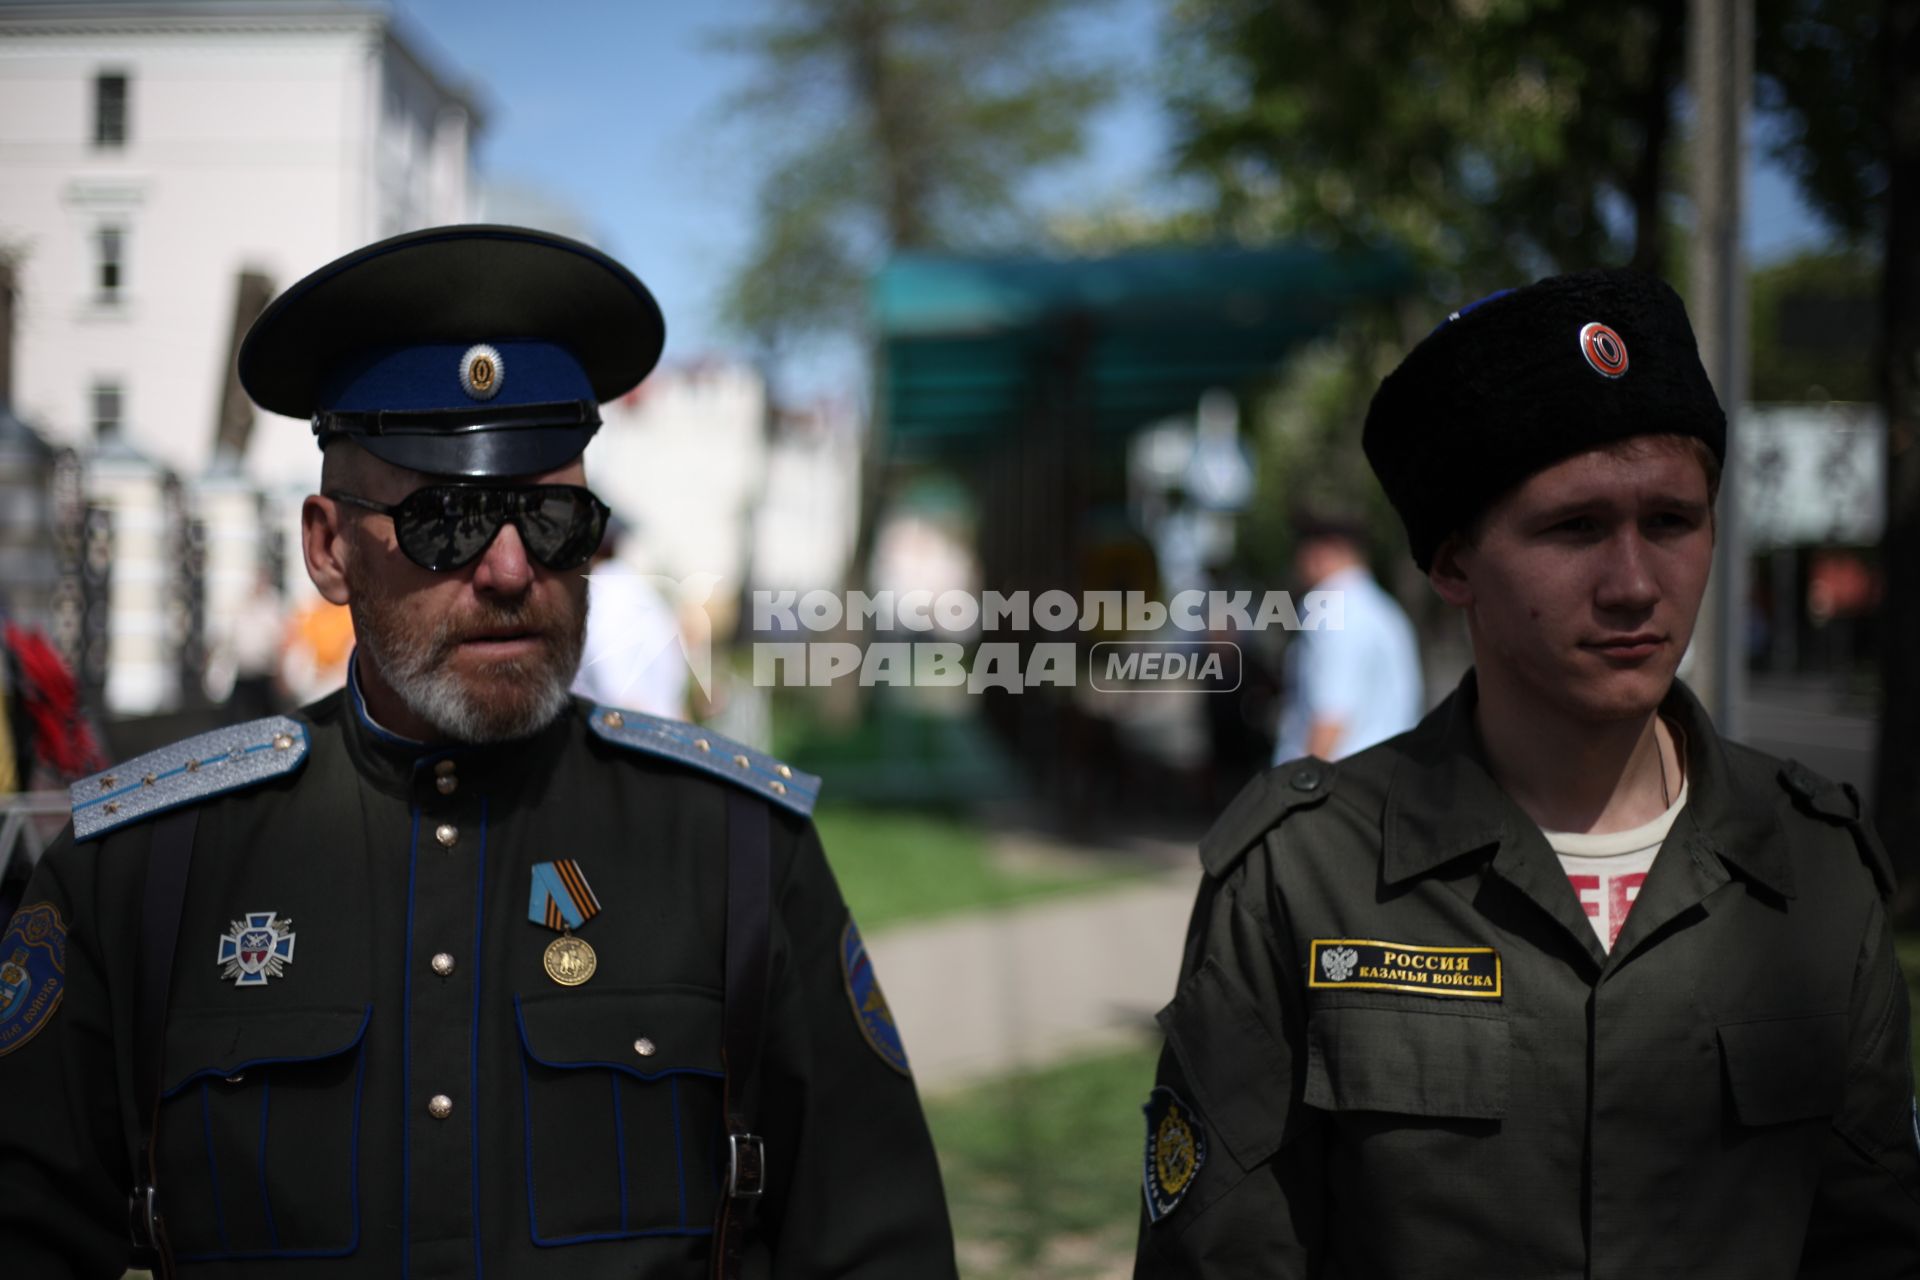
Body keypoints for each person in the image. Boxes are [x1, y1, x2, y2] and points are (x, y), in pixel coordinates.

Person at [0, 225, 957, 1278]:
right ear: (328, 546)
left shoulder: (733, 846)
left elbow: (877, 1240)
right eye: (450, 521)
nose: (510, 568)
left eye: (551, 519)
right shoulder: (146, 866)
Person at [1134, 269, 1920, 1276]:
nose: (1635, 582)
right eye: (1575, 528)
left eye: (1673, 521)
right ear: (1454, 563)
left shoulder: (1814, 867)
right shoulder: (1302, 877)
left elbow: (1876, 1242)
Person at [1269, 512, 1421, 764]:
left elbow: (1329, 717)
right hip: (1378, 781)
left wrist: (1291, 798)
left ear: (1324, 551)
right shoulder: (1382, 608)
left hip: (1335, 789)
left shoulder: (1333, 609)